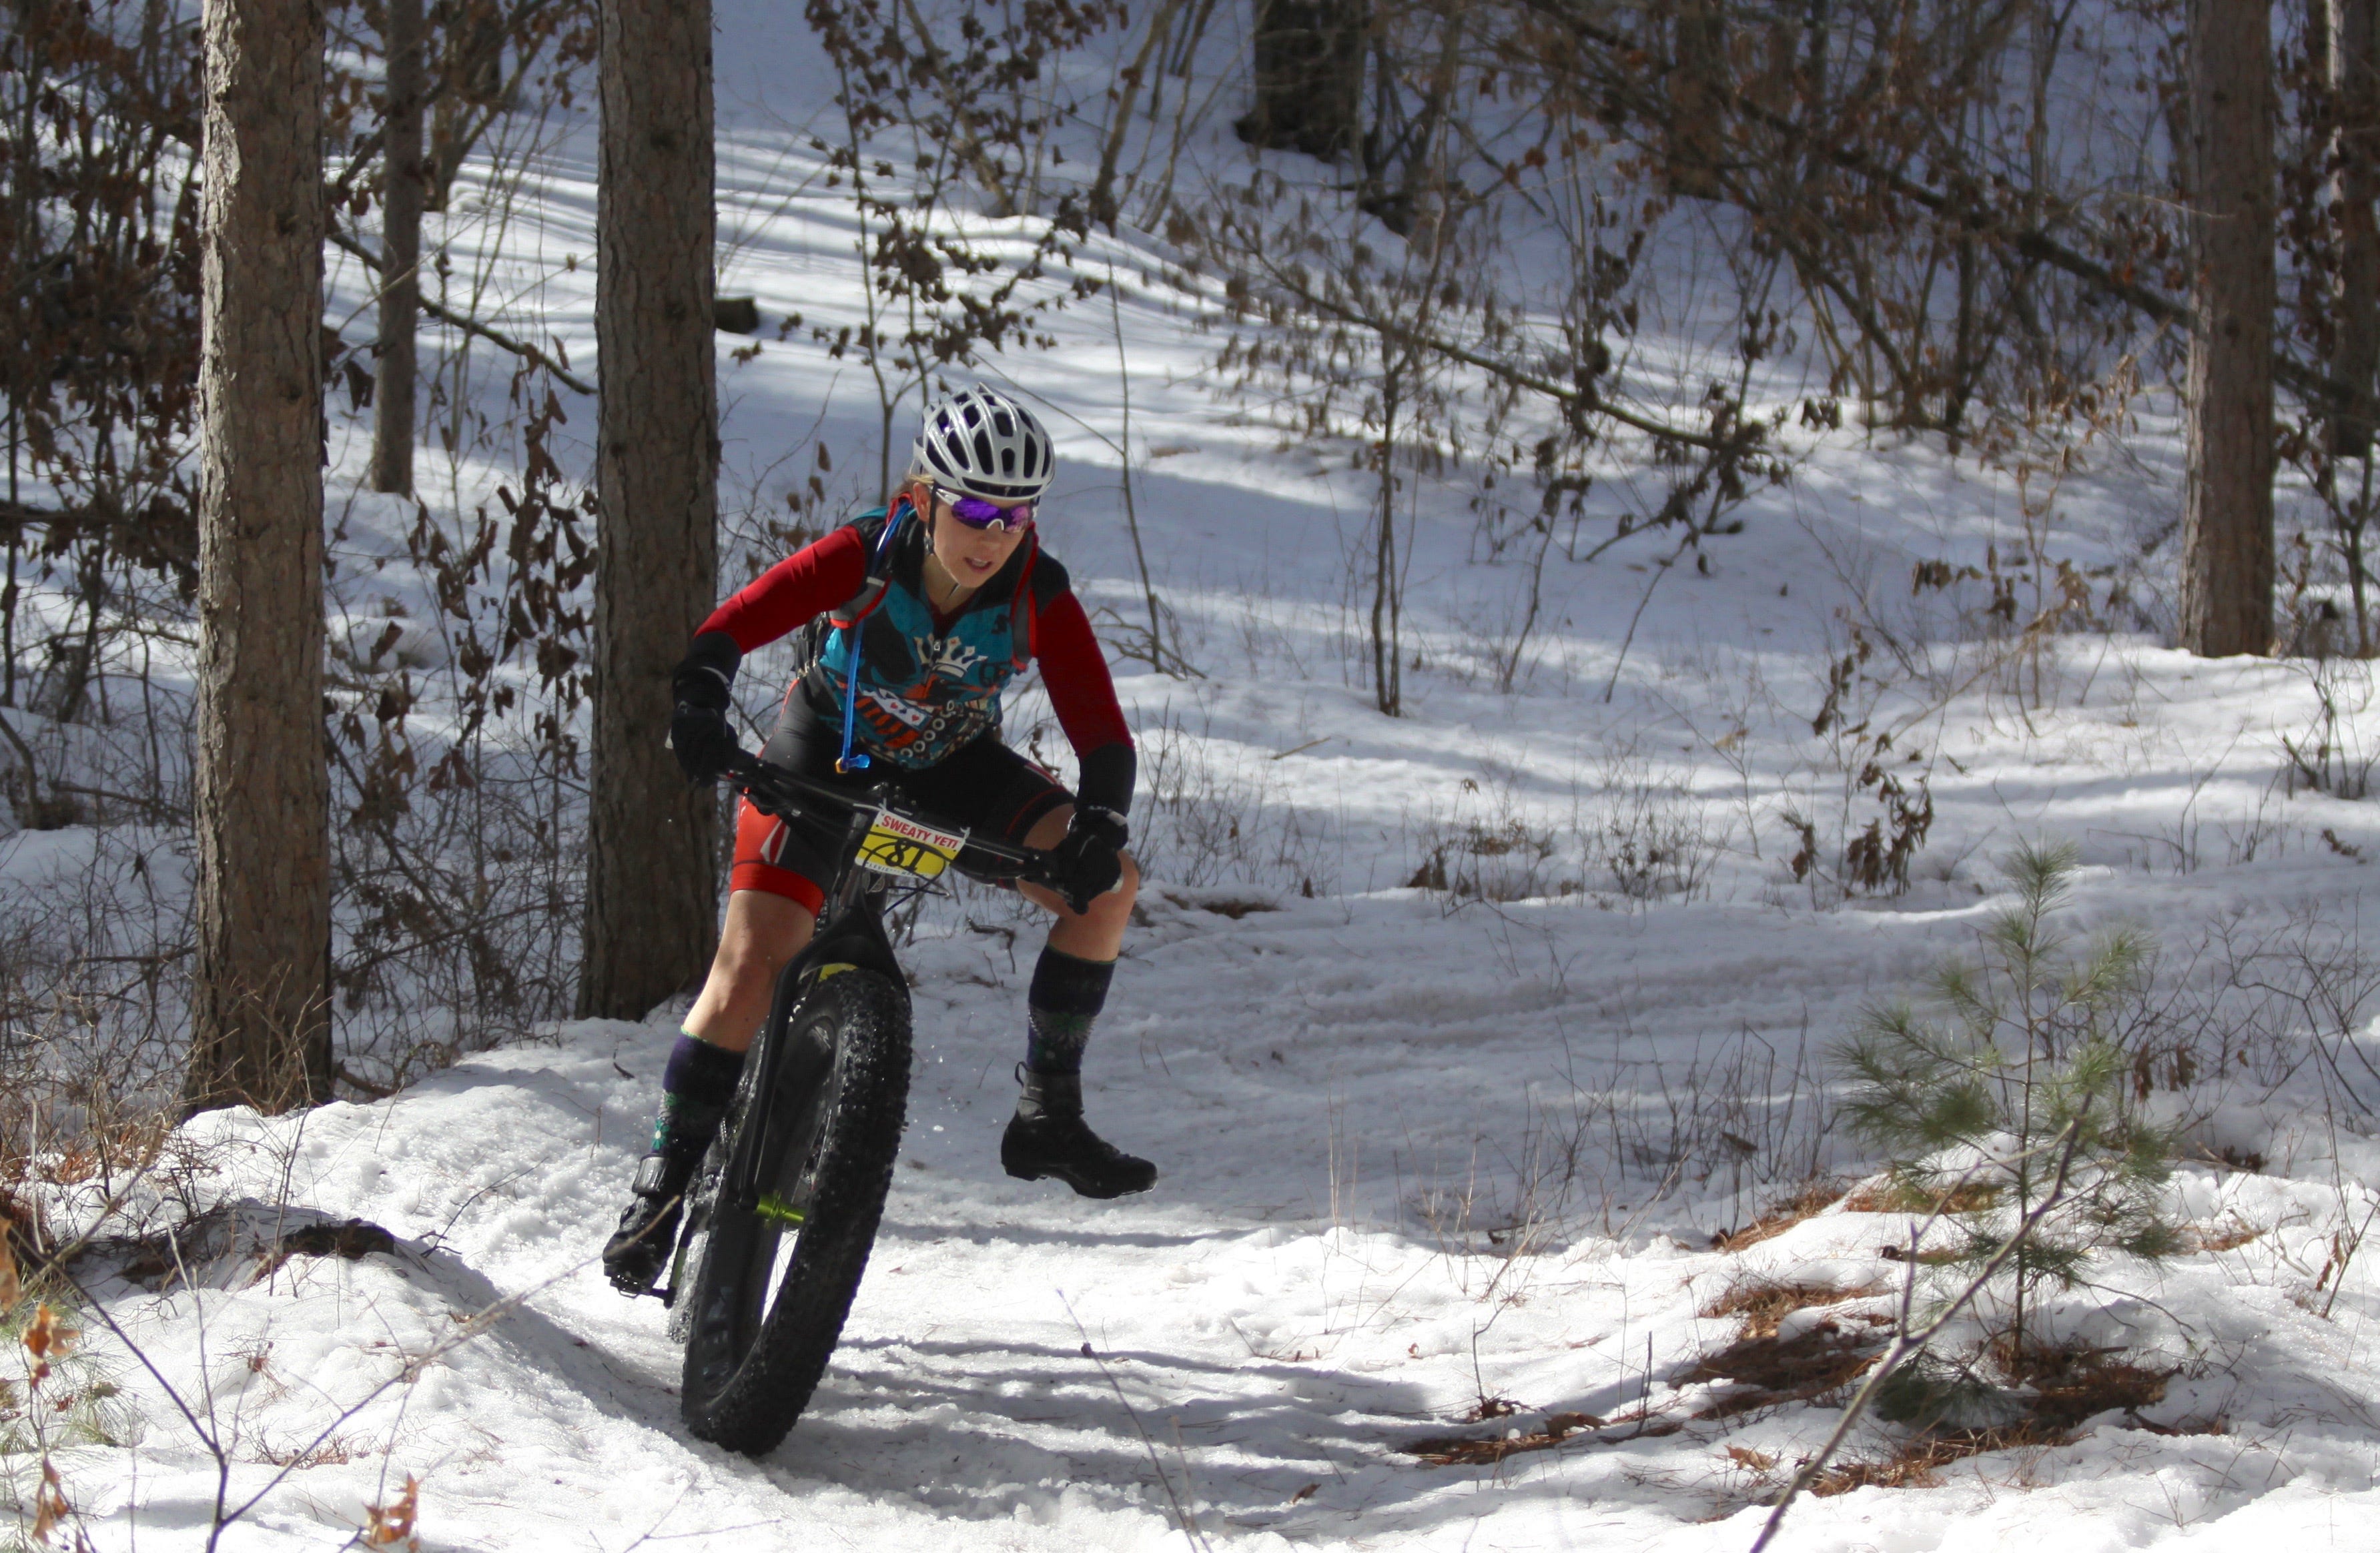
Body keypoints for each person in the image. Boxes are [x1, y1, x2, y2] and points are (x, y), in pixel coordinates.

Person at [603, 385, 1153, 1298]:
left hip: (952, 766)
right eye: (974, 509)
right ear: (925, 495)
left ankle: (1048, 1110)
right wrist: (699, 702)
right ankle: (660, 1192)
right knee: (749, 969)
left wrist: (1097, 826)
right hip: (826, 750)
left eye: (1016, 517)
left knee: (1112, 885)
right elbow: (730, 628)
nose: (993, 535)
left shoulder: (1033, 590)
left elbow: (1104, 736)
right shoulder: (867, 553)